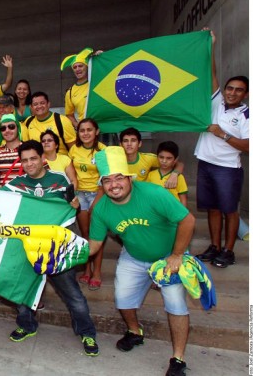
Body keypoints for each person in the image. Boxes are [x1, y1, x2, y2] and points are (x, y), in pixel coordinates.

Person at [87, 146, 196, 376]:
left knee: (176, 304)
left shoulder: (153, 193)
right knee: (122, 299)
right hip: (133, 257)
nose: (114, 185)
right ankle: (135, 332)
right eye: (107, 180)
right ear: (102, 184)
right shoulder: (101, 209)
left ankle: (178, 359)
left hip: (168, 257)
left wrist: (177, 255)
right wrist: (65, 254)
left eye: (119, 178)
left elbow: (187, 220)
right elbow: (94, 245)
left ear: (129, 178)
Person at [0, 140, 99, 356]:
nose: (29, 164)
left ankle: (87, 331)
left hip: (56, 248)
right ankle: (26, 325)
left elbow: (72, 208)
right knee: (23, 290)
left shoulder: (60, 179)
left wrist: (76, 205)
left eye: (33, 158)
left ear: (42, 158)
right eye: (24, 160)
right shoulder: (15, 183)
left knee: (73, 295)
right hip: (27, 247)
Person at [195, 29, 249, 269]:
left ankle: (228, 250)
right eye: (230, 88)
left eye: (238, 90)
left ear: (245, 94)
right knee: (213, 209)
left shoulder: (247, 114)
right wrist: (211, 45)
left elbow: (248, 147)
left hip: (227, 169)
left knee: (229, 210)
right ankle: (215, 246)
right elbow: (211, 72)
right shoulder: (216, 100)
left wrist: (223, 134)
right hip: (205, 163)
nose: (232, 93)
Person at [69, 118, 107, 290]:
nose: (85, 133)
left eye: (89, 130)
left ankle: (97, 272)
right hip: (80, 195)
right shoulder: (74, 149)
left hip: (99, 193)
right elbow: (72, 174)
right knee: (85, 233)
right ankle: (86, 269)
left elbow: (106, 176)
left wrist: (98, 198)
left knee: (96, 234)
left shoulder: (103, 151)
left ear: (97, 131)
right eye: (82, 130)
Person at [24, 91, 76, 156]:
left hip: (60, 163)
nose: (39, 106)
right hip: (38, 163)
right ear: (31, 107)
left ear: (48, 104)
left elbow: (73, 148)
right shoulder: (28, 121)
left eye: (42, 103)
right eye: (35, 104)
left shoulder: (62, 120)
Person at [147, 141, 188, 207]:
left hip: (173, 213)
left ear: (176, 159)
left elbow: (183, 200)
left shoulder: (179, 177)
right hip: (156, 212)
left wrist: (182, 216)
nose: (164, 161)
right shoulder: (151, 175)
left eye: (169, 158)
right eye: (161, 157)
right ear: (157, 157)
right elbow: (147, 195)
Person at [60, 48, 94, 129]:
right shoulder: (70, 92)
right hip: (86, 130)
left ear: (86, 67)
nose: (77, 69)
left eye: (80, 66)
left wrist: (100, 57)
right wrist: (76, 125)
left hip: (103, 129)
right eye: (75, 67)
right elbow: (69, 114)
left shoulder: (95, 83)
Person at [0, 114, 24, 187]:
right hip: (5, 196)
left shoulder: (30, 149)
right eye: (3, 128)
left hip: (26, 196)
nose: (7, 130)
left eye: (11, 127)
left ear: (18, 128)